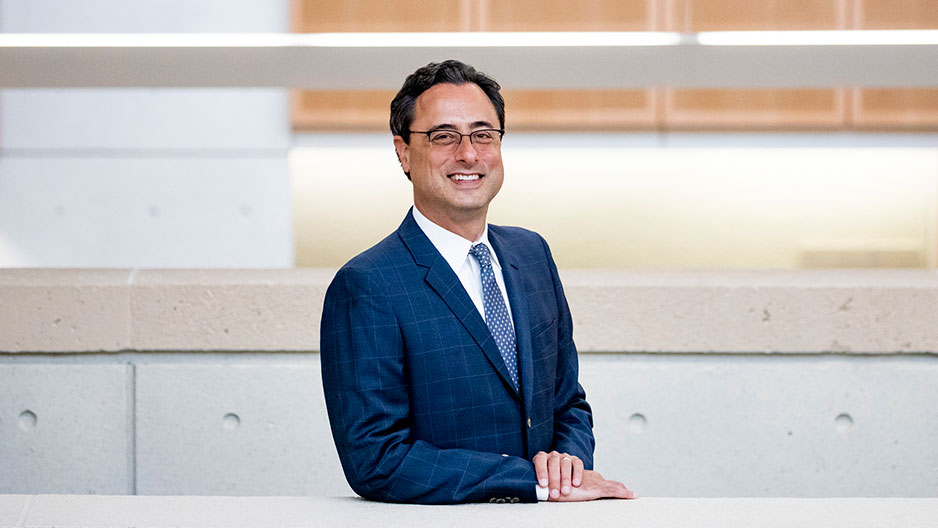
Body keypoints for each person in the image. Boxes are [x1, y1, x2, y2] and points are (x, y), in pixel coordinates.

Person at [320, 59, 635, 504]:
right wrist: (529, 480)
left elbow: (566, 403)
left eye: (483, 134)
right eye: (443, 136)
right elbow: (375, 459)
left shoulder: (532, 255)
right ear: (403, 152)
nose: (468, 154)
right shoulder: (367, 284)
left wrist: (565, 464)